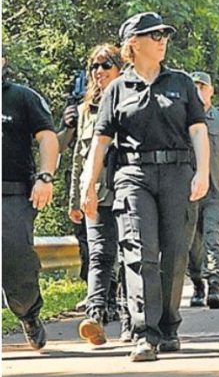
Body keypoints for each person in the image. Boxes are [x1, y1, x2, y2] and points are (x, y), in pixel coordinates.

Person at [81, 12, 210, 362]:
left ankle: (169, 325)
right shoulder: (117, 89)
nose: (162, 40)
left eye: (164, 34)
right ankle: (144, 333)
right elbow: (101, 141)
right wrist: (88, 184)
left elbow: (197, 130)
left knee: (174, 254)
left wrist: (203, 173)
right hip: (133, 176)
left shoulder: (181, 82)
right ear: (133, 44)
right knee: (139, 253)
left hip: (177, 173)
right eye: (154, 35)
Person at [68, 44, 131, 345]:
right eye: (94, 66)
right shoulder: (85, 111)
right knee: (100, 255)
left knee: (132, 254)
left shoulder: (132, 101)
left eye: (106, 65)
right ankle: (95, 314)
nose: (99, 71)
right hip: (96, 193)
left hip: (129, 189)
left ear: (120, 67)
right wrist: (75, 198)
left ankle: (132, 317)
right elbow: (79, 159)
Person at [2, 46, 59, 350]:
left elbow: (47, 137)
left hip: (11, 194)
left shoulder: (21, 97)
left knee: (15, 263)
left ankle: (28, 312)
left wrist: (46, 176)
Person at [186, 71, 219, 310]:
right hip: (189, 192)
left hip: (218, 190)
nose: (198, 91)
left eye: (202, 87)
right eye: (194, 87)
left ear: (211, 90)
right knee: (191, 245)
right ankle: (197, 283)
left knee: (213, 238)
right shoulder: (181, 119)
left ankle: (214, 284)